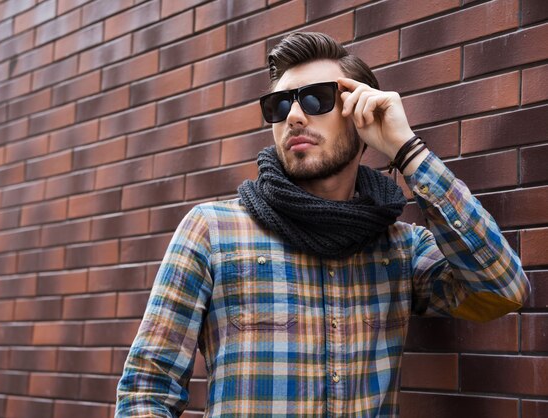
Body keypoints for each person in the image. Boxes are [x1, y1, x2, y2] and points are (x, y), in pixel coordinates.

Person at [115, 32, 530, 417]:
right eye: (280, 105)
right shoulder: (214, 231)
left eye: (316, 99)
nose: (294, 116)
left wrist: (408, 152)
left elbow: (503, 289)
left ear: (360, 114)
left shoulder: (401, 249)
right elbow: (147, 390)